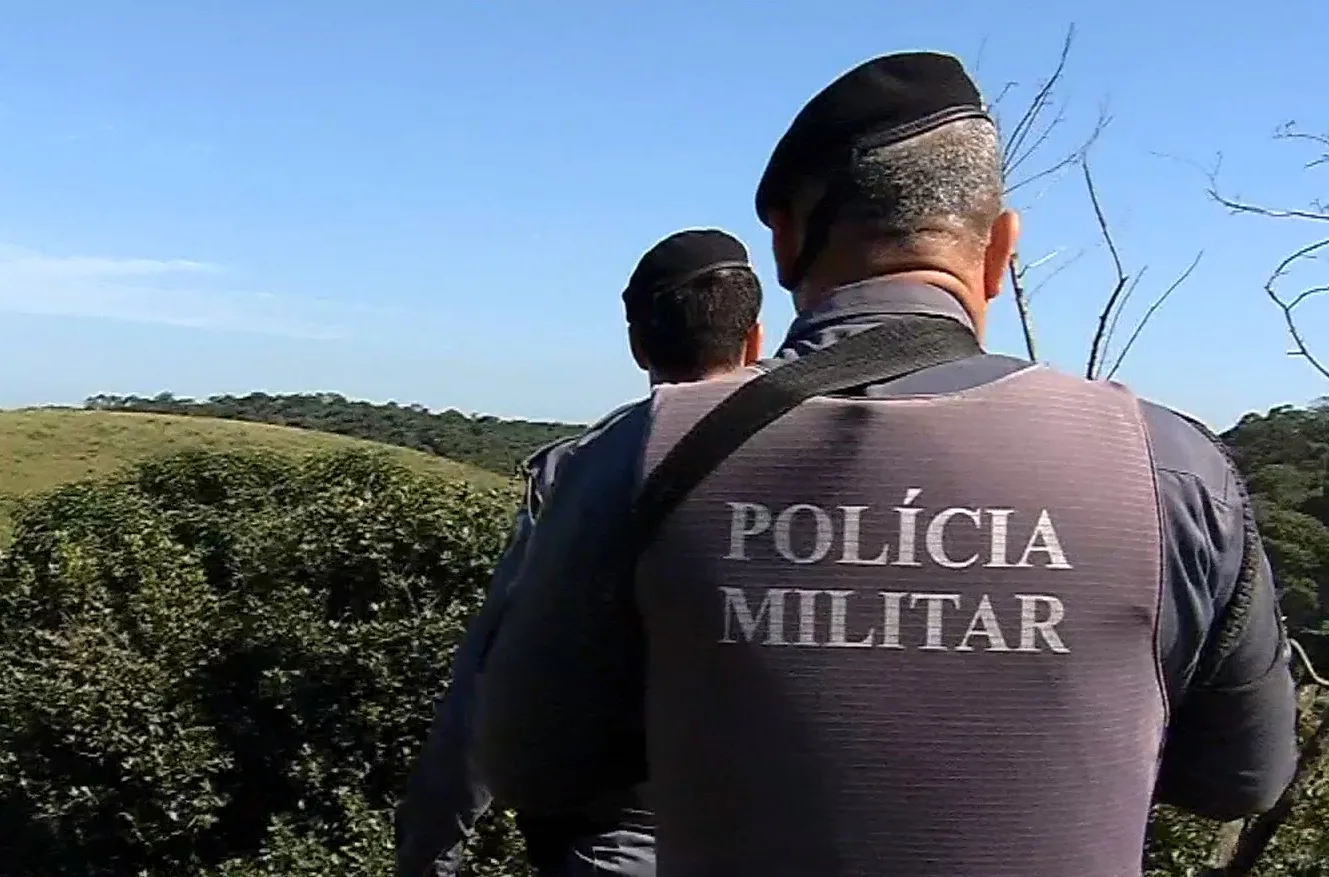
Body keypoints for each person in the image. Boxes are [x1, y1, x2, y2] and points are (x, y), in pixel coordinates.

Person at [472, 52, 1300, 877]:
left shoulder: (633, 453)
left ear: (786, 243)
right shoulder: (1170, 469)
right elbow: (1241, 776)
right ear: (1000, 248)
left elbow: (529, 764)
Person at [393, 228, 764, 877]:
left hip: (620, 843)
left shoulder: (584, 469)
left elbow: (486, 681)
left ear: (635, 342)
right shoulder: (826, 461)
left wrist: (428, 851)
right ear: (754, 337)